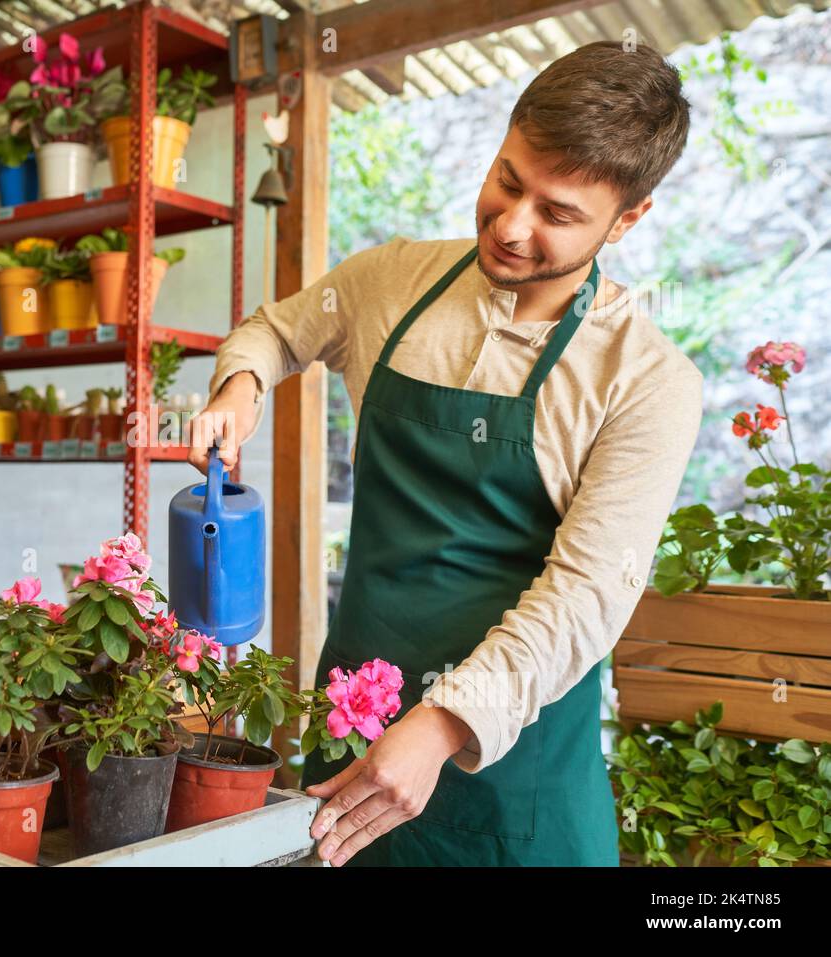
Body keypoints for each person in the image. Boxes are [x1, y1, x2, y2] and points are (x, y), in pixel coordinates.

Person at [187, 41, 703, 866]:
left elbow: (588, 595)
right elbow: (279, 330)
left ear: (628, 217)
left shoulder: (644, 378)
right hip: (349, 746)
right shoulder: (393, 280)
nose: (510, 225)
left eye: (558, 213)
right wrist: (239, 388)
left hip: (517, 787)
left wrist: (440, 725)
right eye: (507, 180)